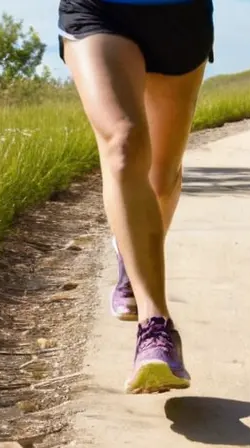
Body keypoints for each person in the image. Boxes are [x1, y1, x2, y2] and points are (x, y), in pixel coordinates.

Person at [56, 0, 214, 394]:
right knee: (123, 145)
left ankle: (130, 257)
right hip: (98, 10)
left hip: (180, 16)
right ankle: (155, 329)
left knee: (161, 178)